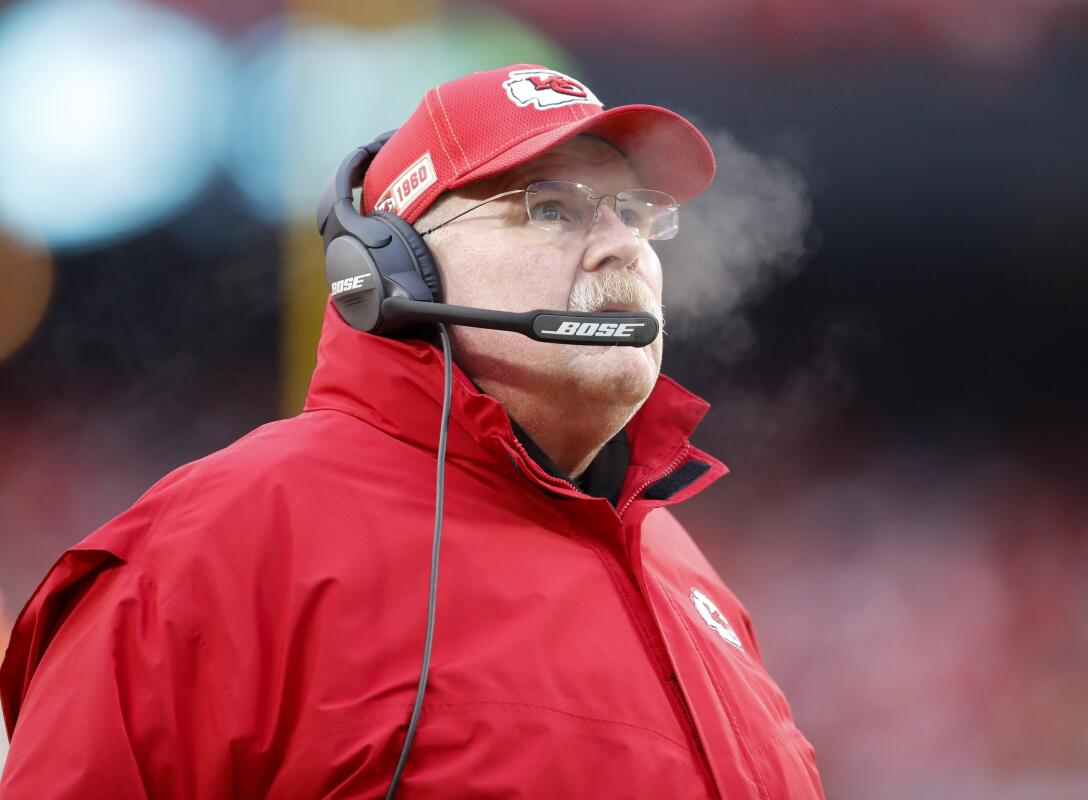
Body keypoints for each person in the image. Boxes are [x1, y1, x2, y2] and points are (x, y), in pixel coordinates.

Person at [0, 64, 825, 799]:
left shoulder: (685, 572)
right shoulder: (212, 550)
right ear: (391, 268)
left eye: (636, 215)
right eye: (550, 208)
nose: (622, 249)